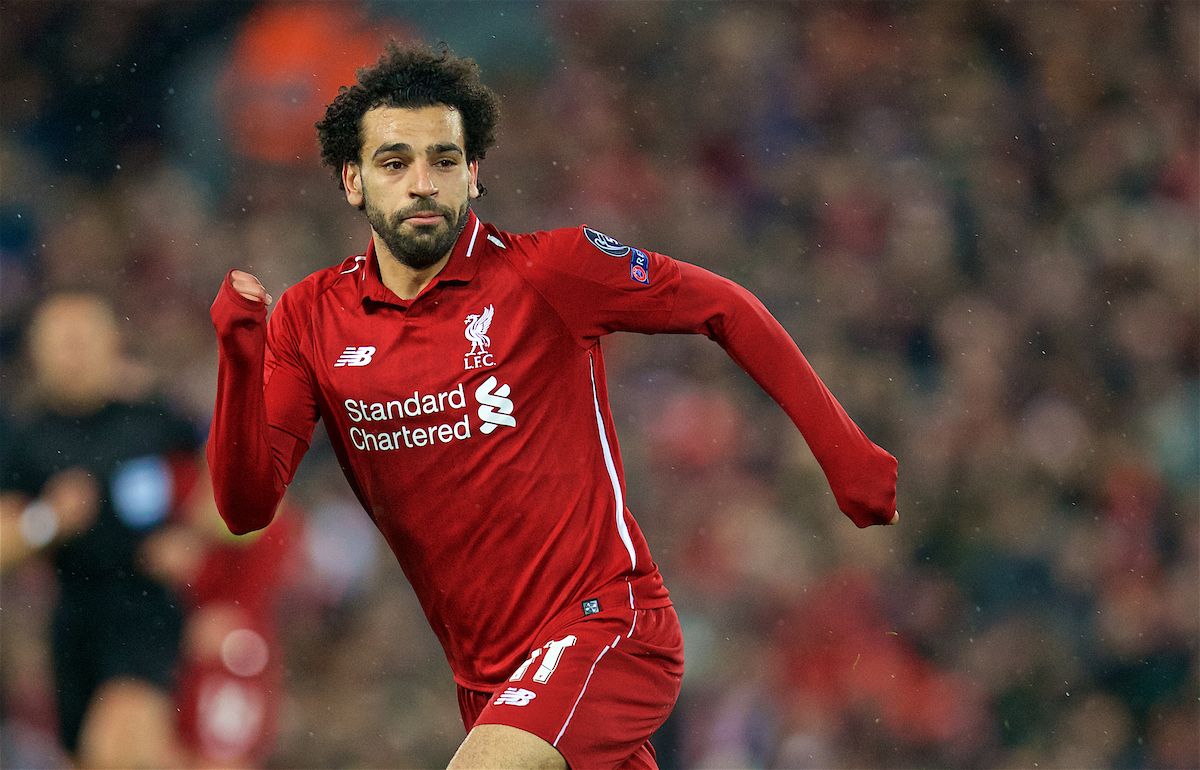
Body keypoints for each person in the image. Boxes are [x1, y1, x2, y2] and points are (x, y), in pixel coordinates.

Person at [207, 43, 898, 770]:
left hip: (606, 629)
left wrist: (844, 451)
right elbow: (246, 507)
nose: (422, 184)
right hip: (489, 682)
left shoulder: (549, 272)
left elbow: (723, 305)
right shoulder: (311, 319)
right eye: (394, 162)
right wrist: (241, 357)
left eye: (445, 160)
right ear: (353, 180)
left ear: (474, 172)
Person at [0, 292, 201, 768]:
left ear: (113, 341)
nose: (74, 353)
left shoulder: (156, 420)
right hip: (75, 619)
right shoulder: (26, 437)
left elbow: (230, 488)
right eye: (62, 341)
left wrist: (193, 540)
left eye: (84, 339)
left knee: (122, 741)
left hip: (147, 608)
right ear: (37, 351)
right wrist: (48, 520)